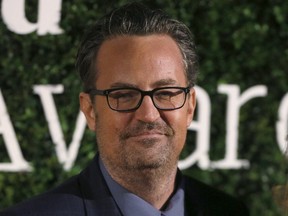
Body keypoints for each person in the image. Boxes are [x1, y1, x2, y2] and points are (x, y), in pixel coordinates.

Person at [1, 2, 249, 216]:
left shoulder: (229, 211)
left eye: (165, 93)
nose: (148, 114)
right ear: (89, 109)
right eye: (124, 95)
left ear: (190, 106)